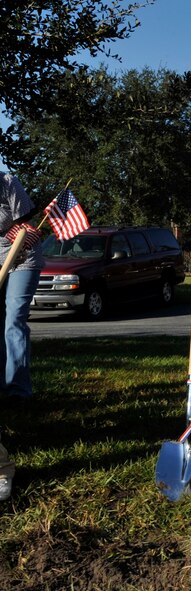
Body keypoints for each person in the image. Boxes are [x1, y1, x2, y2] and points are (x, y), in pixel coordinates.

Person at [0, 172, 44, 500]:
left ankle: (18, 390)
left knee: (14, 319)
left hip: (22, 261)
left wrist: (24, 232)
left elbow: (29, 224)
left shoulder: (7, 181)